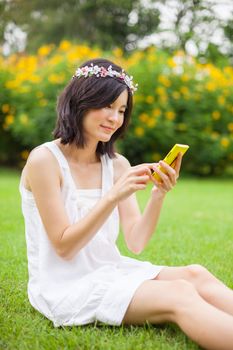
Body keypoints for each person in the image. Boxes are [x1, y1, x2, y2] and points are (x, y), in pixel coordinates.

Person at [19, 58, 233, 350]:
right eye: (107, 106)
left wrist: (158, 194)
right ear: (80, 101)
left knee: (195, 274)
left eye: (121, 110)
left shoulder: (117, 165)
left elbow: (136, 241)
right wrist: (111, 197)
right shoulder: (44, 160)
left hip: (111, 270)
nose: (115, 118)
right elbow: (63, 246)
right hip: (66, 286)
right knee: (179, 295)